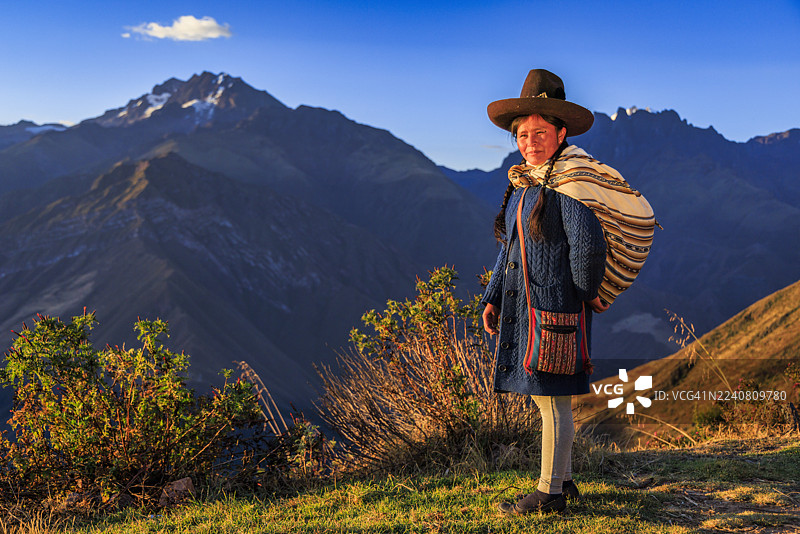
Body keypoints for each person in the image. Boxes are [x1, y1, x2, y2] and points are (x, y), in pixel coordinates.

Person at [481, 69, 615, 515]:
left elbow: (588, 248)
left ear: (560, 133)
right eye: (523, 134)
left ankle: (549, 493)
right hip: (529, 309)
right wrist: (494, 295)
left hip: (555, 311)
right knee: (554, 397)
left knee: (550, 400)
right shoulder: (525, 184)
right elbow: (511, 251)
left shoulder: (569, 186)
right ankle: (566, 480)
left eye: (540, 132)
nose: (530, 141)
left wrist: (581, 295)